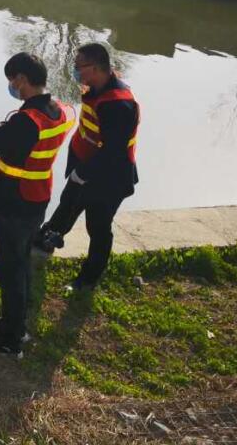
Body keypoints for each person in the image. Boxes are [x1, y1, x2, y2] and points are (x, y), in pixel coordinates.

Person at [0, 53, 75, 355]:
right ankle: (16, 321)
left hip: (15, 201)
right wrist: (4, 134)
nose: (11, 86)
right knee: (22, 262)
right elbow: (24, 142)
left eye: (12, 81)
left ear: (21, 79)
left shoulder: (27, 120)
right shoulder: (59, 111)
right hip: (38, 197)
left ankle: (10, 337)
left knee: (11, 269)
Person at [34, 43, 139, 292]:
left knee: (98, 226)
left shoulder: (119, 105)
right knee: (68, 202)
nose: (75, 70)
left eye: (79, 66)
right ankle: (45, 239)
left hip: (109, 177)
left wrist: (85, 173)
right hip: (85, 164)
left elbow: (113, 151)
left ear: (95, 68)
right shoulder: (98, 87)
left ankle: (88, 280)